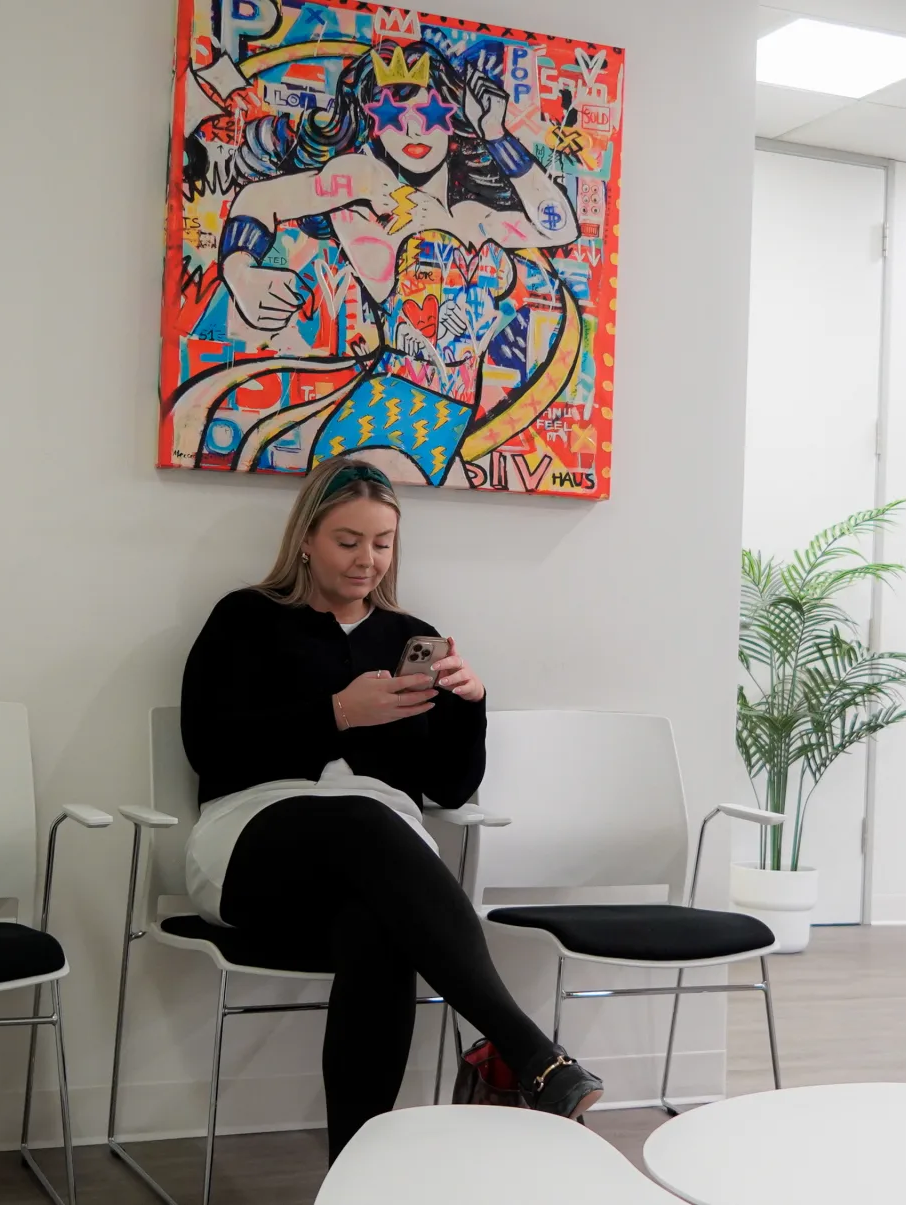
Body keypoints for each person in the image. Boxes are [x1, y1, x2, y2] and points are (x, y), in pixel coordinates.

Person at [179, 453, 602, 1160]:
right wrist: (338, 714)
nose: (367, 560)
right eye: (348, 541)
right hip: (253, 843)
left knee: (379, 927)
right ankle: (527, 1047)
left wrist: (471, 705)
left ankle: (357, 1172)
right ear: (306, 538)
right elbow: (208, 747)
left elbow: (450, 788)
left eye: (383, 542)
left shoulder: (409, 636)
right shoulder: (245, 619)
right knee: (364, 816)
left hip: (381, 869)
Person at [167, 38, 583, 486]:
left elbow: (559, 226)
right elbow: (260, 198)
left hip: (446, 427)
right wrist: (240, 272)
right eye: (391, 117)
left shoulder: (471, 217)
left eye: (427, 115)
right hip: (388, 414)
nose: (412, 131)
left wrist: (498, 136)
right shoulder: (367, 182)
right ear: (372, 123)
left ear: (453, 118)